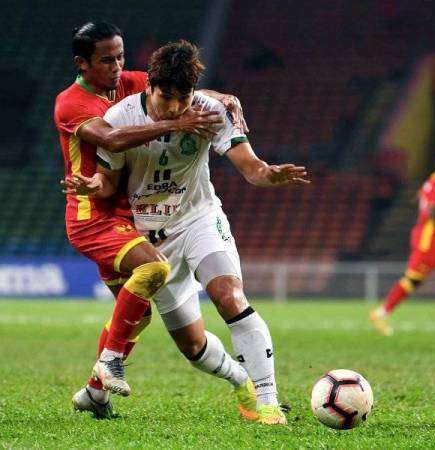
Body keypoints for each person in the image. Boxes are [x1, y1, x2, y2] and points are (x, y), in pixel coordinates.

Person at [64, 40, 309, 425]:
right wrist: (93, 187)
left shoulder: (210, 112)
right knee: (192, 345)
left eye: (184, 97)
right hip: (152, 238)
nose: (177, 106)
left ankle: (267, 401)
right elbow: (109, 183)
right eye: (167, 97)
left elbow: (251, 167)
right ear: (149, 87)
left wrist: (268, 174)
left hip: (199, 220)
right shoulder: (120, 116)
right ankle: (241, 380)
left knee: (228, 296)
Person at [54, 22, 248, 417]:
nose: (117, 67)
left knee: (138, 315)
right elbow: (109, 139)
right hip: (95, 214)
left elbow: (177, 88)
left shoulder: (129, 83)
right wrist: (176, 124)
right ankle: (109, 364)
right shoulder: (71, 102)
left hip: (131, 214)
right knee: (153, 271)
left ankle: (95, 392)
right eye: (107, 60)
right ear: (82, 63)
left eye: (121, 56)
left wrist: (223, 98)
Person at [369, 158, 435, 336]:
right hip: (430, 240)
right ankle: (380, 313)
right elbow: (434, 210)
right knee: (414, 280)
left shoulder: (433, 183)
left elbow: (418, 200)